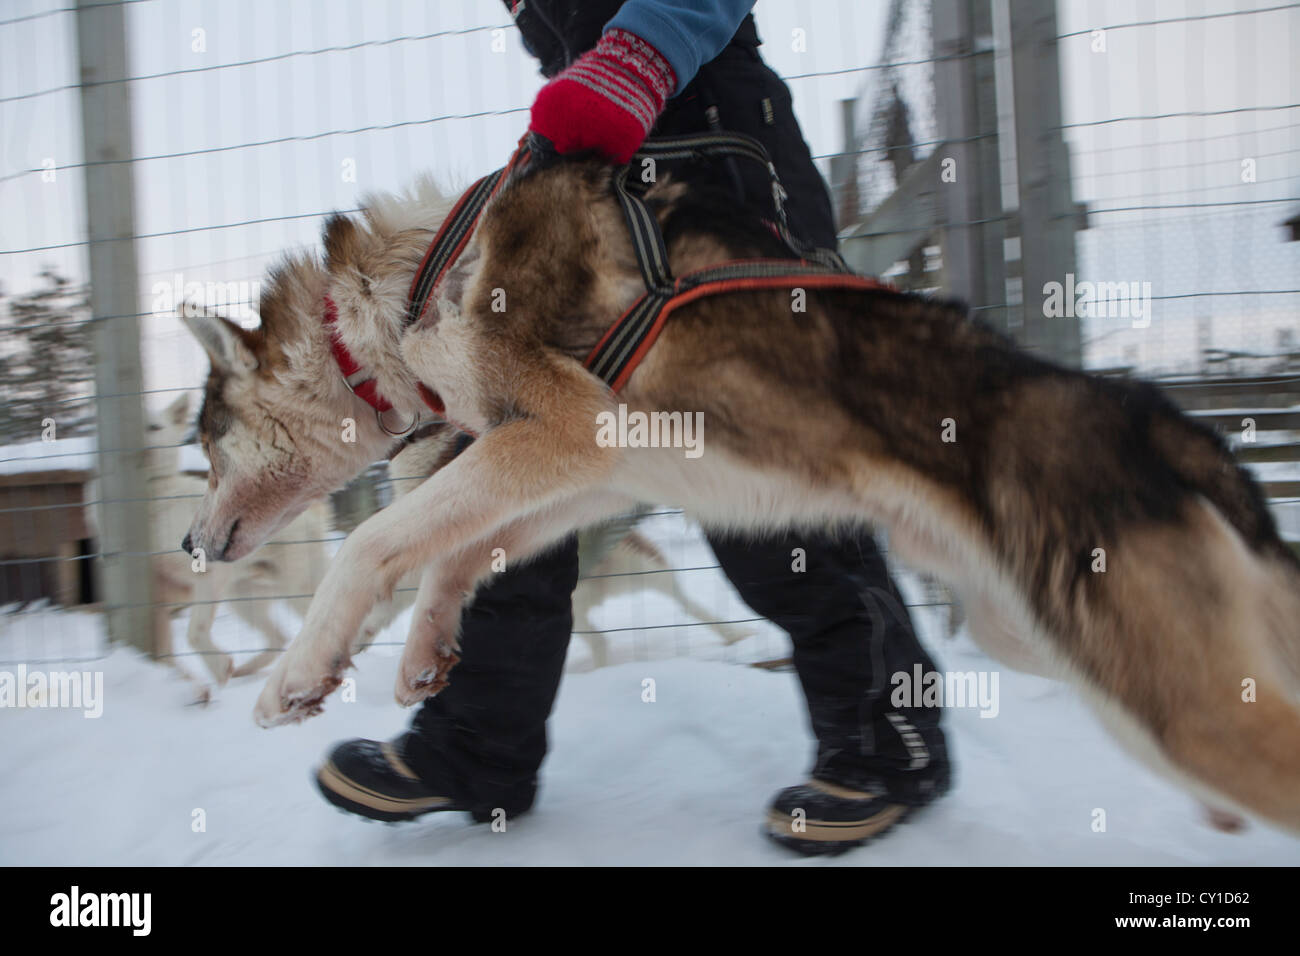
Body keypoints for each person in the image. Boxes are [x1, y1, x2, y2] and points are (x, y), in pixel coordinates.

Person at [314, 0, 950, 855]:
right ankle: (478, 747)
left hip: (718, 139)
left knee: (745, 443)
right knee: (521, 435)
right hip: (603, 162)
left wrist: (642, 56)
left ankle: (889, 737)